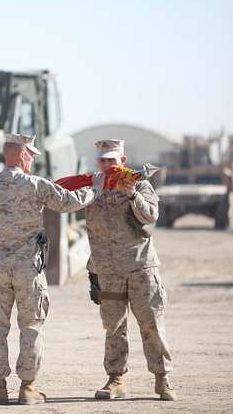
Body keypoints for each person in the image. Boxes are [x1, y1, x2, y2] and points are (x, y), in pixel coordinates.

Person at [0, 134, 103, 405]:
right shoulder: (36, 185)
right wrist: (95, 189)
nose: (32, 161)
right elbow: (68, 202)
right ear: (24, 155)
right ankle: (28, 388)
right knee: (31, 326)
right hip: (28, 268)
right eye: (31, 156)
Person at [85, 139, 176, 401]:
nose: (107, 165)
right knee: (114, 327)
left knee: (151, 325)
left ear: (122, 161)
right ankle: (116, 379)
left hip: (140, 268)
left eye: (112, 160)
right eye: (102, 160)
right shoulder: (93, 187)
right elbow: (67, 201)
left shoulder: (140, 185)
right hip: (108, 270)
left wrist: (131, 194)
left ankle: (162, 378)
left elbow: (151, 216)